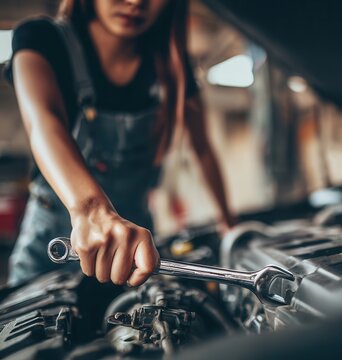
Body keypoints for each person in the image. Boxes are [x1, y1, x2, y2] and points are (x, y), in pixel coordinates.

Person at [4, 0, 234, 287]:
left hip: (132, 249)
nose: (137, 2)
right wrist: (91, 210)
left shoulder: (171, 63)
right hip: (52, 248)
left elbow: (203, 148)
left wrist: (229, 226)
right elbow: (43, 122)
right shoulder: (41, 39)